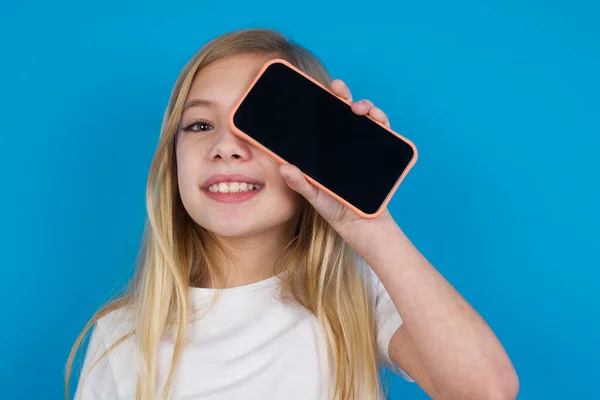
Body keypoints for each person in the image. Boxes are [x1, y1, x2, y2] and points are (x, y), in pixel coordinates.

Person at [65, 28, 519, 400]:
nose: (225, 147)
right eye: (200, 125)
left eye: (255, 124)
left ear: (312, 155)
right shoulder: (122, 336)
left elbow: (485, 391)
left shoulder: (353, 297)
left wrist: (371, 226)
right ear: (173, 160)